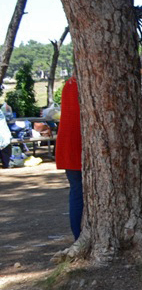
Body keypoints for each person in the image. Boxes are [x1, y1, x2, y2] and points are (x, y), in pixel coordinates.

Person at [56, 76, 84, 240]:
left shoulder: (70, 83)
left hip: (68, 145)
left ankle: (78, 235)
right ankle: (79, 236)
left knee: (76, 191)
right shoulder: (88, 83)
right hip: (79, 145)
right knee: (78, 192)